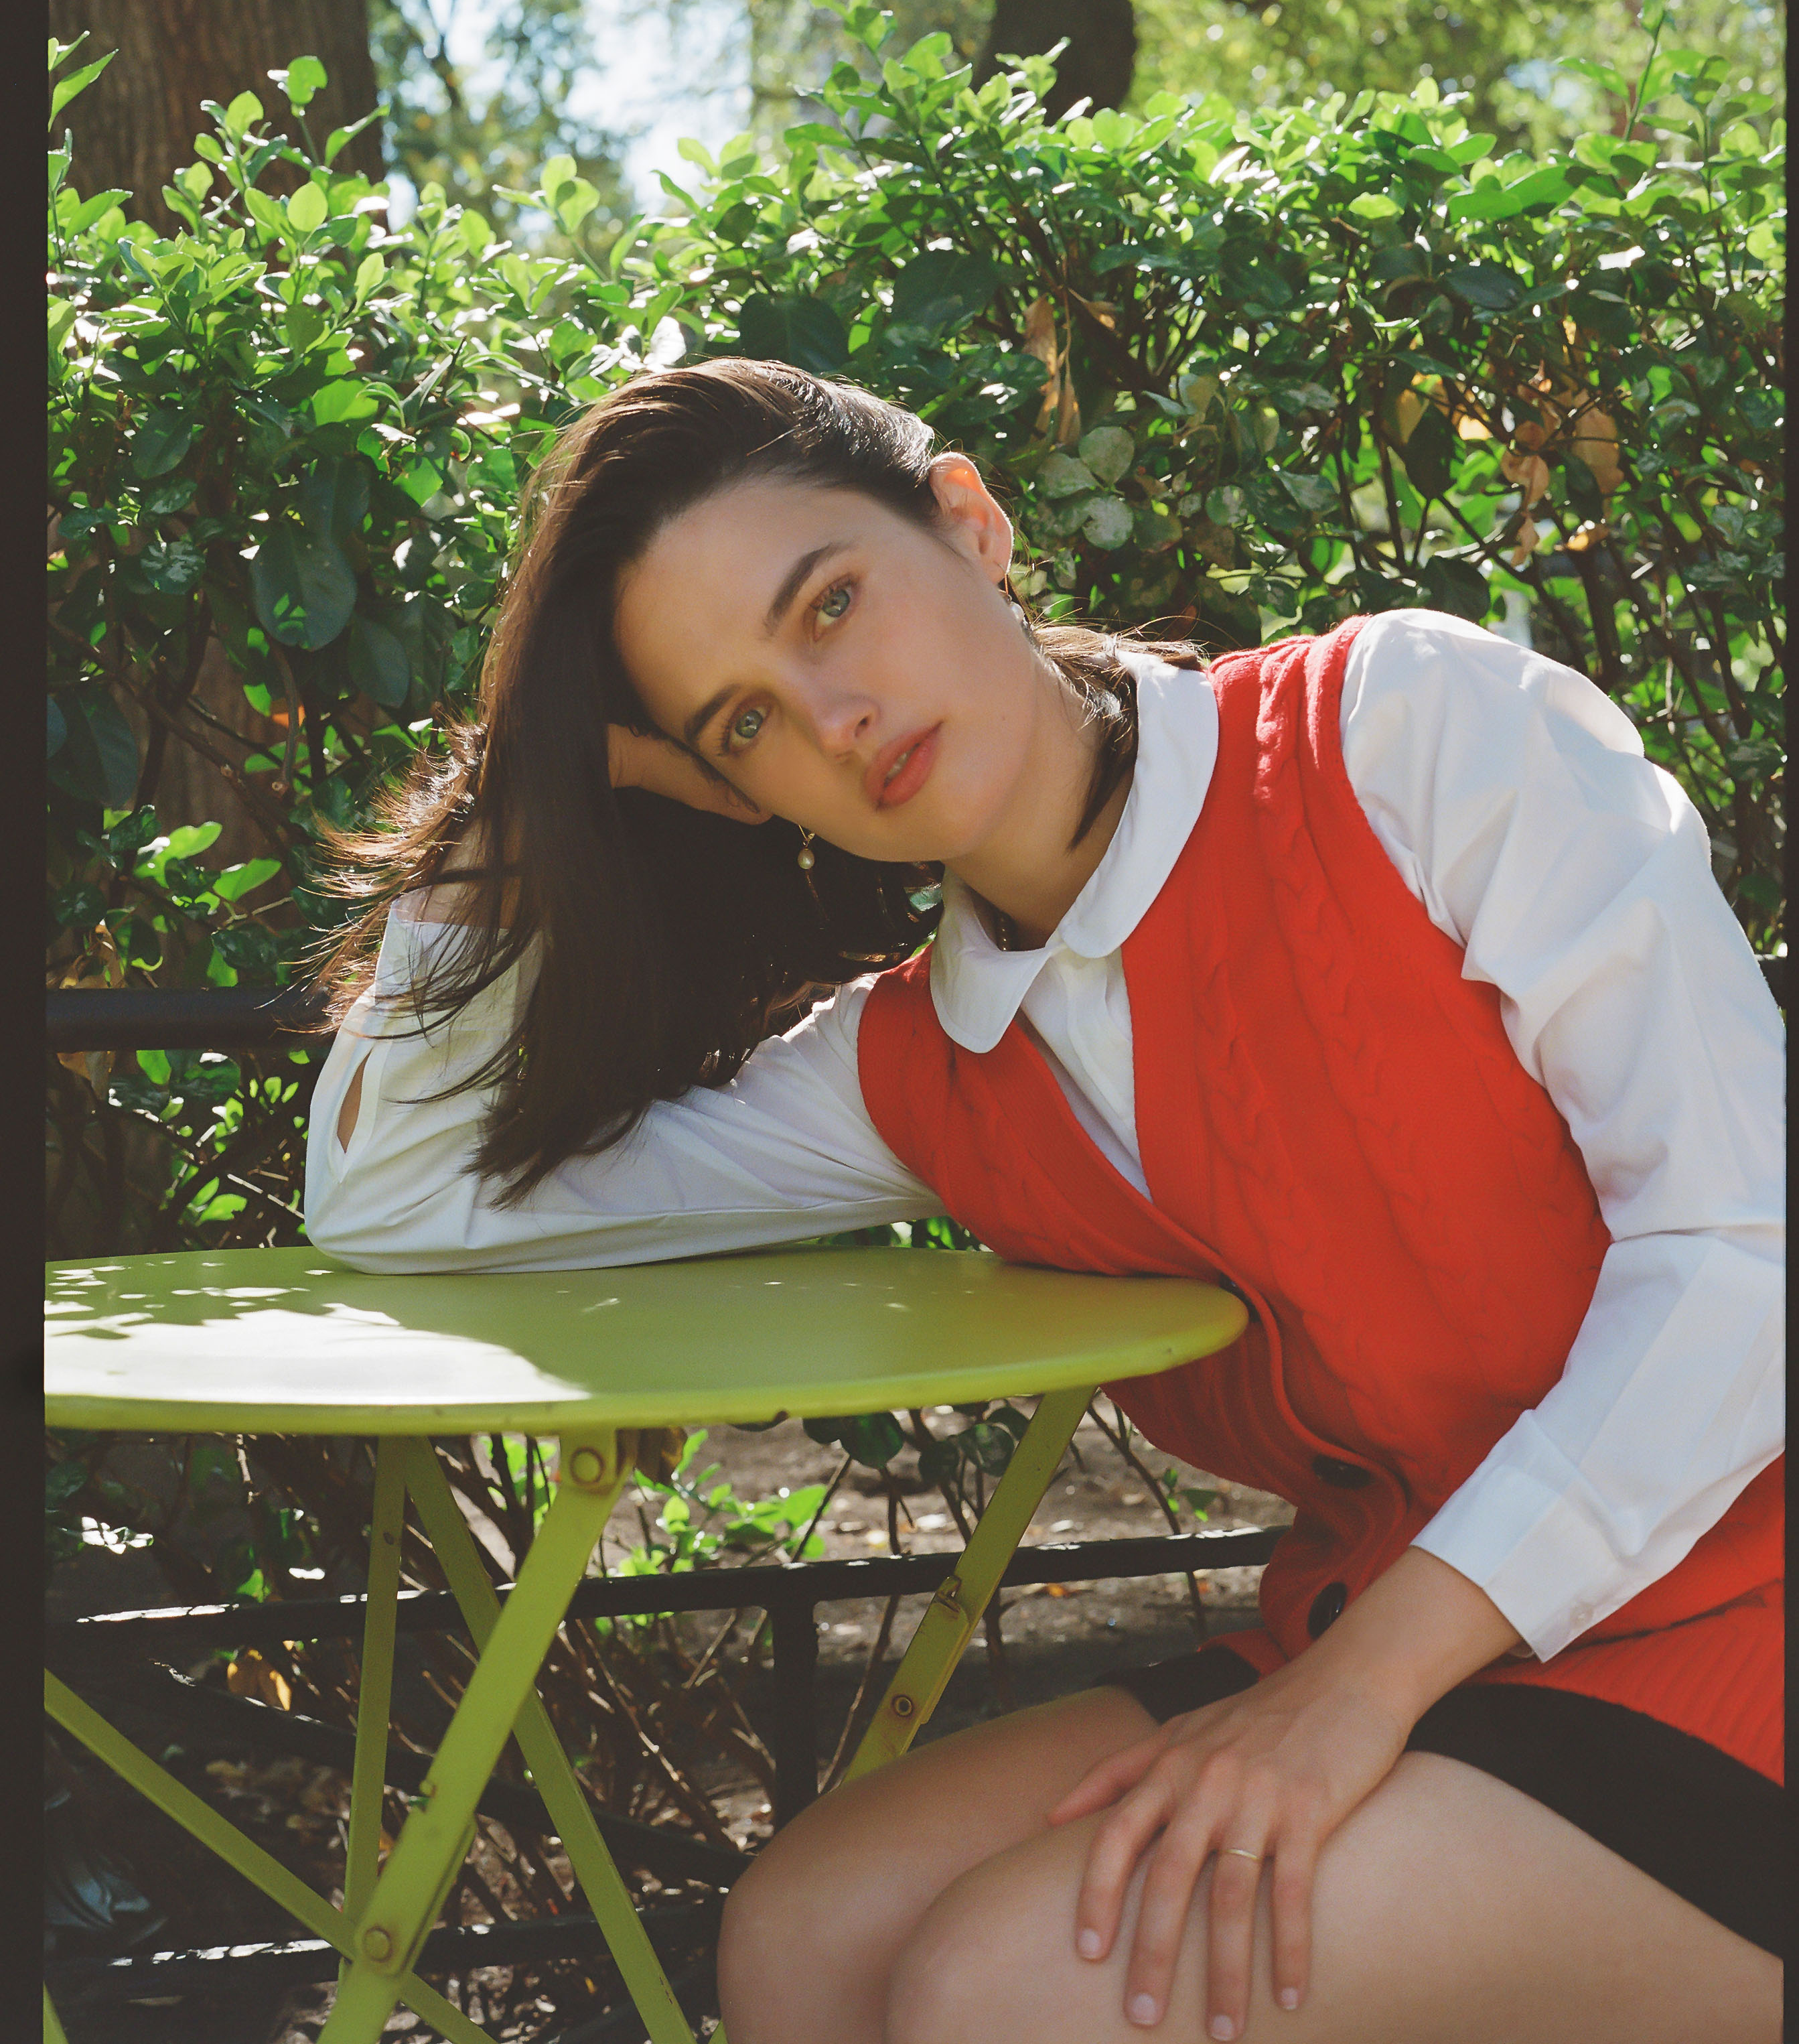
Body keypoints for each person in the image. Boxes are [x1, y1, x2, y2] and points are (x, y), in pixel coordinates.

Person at [303, 359, 1784, 2044]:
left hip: (1729, 1624)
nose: (831, 719)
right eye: (740, 724)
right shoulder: (922, 1065)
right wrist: (526, 792)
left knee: (1000, 1992)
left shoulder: (1405, 735)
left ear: (971, 519)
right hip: (1383, 1646)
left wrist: (1350, 1698)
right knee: (798, 1939)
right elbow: (401, 1201)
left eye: (832, 605)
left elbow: (1747, 1258)